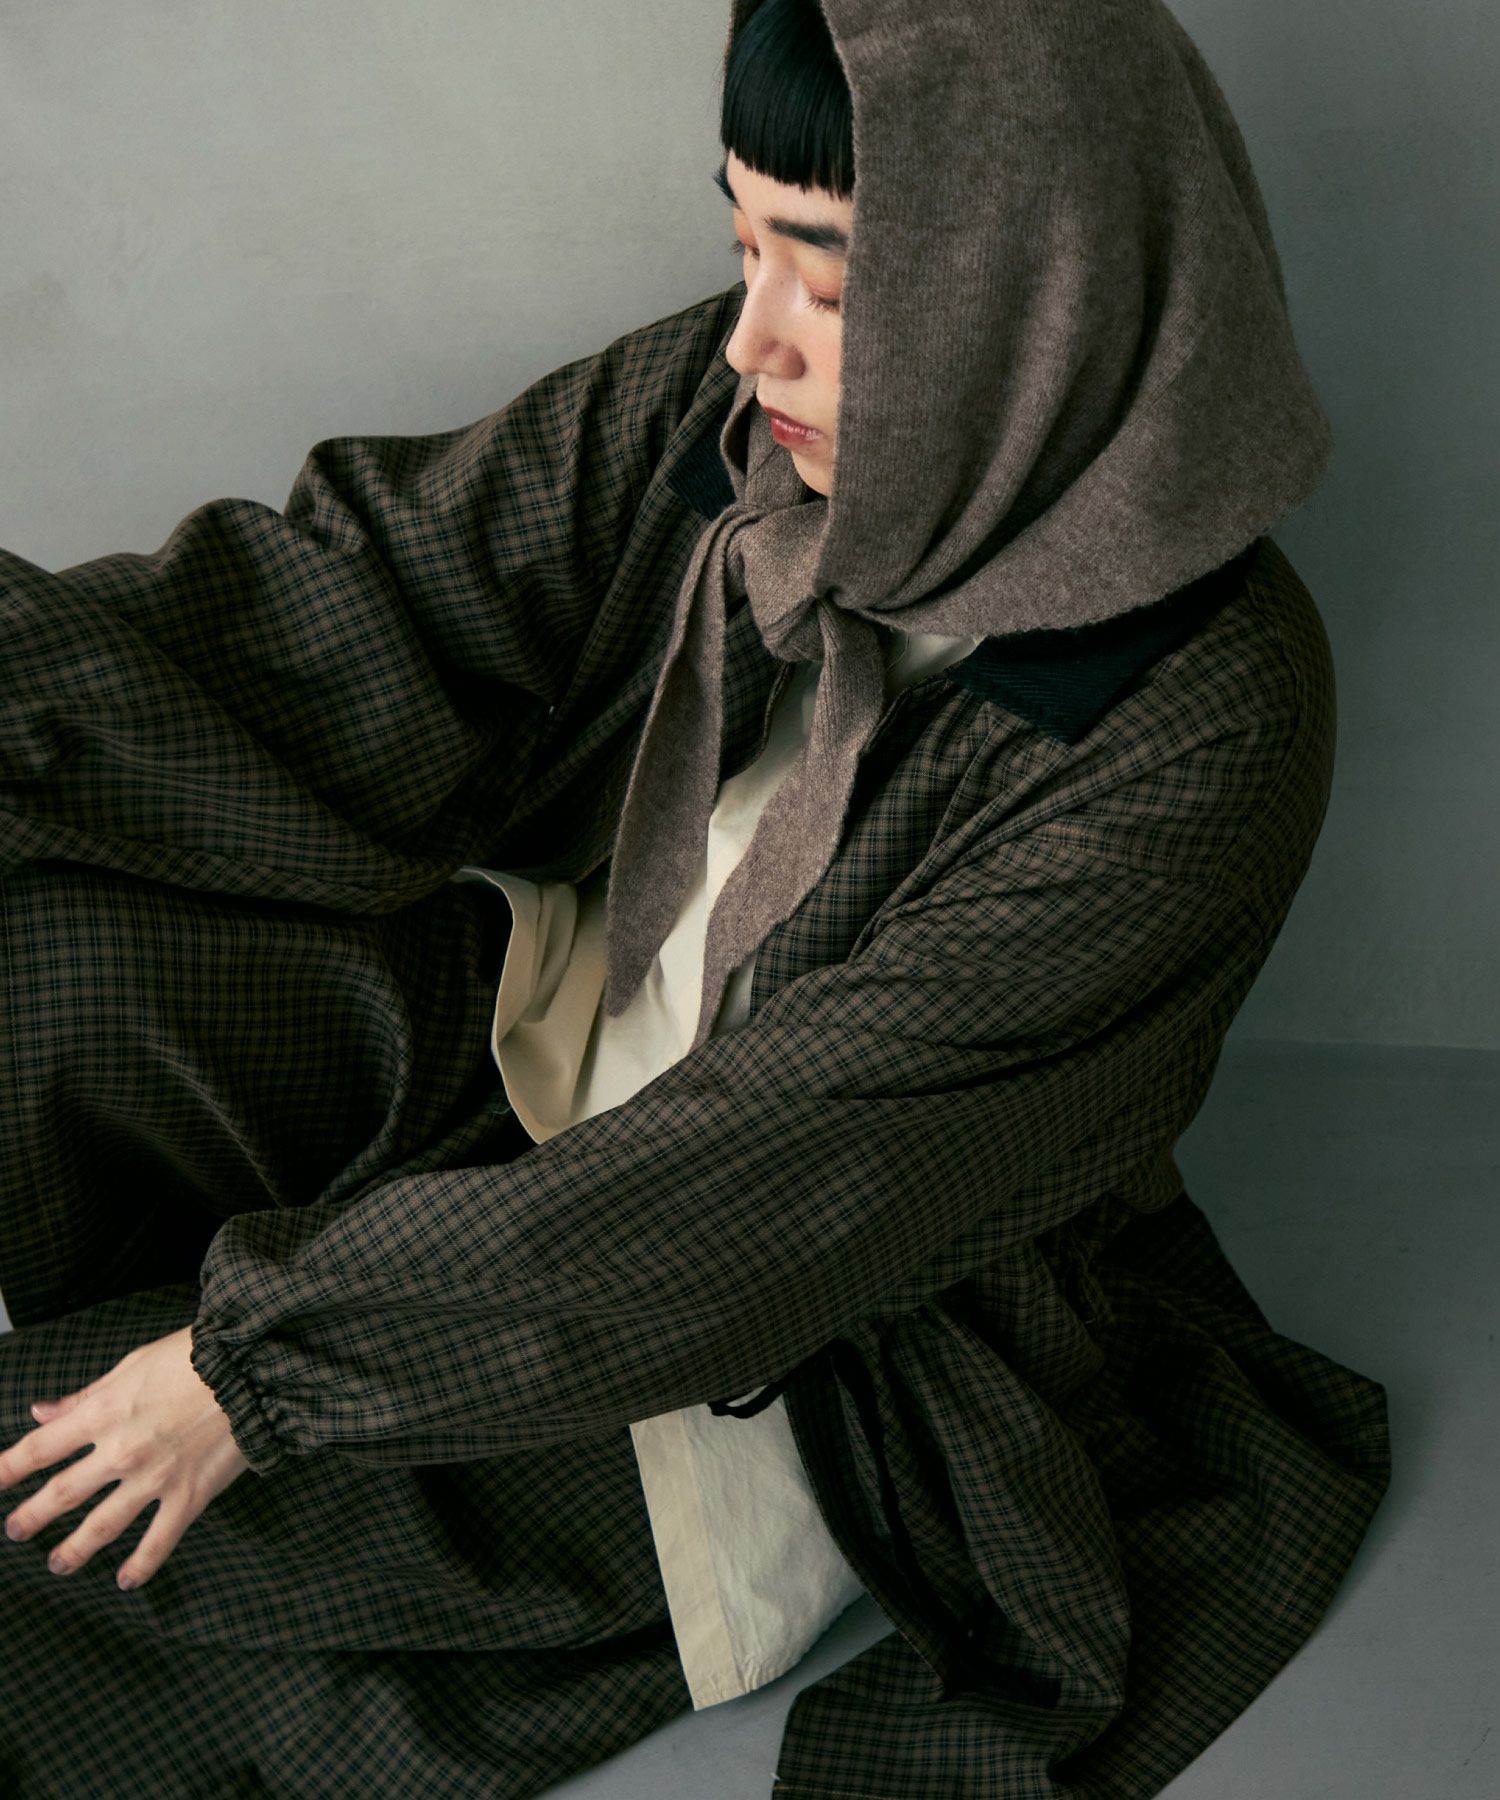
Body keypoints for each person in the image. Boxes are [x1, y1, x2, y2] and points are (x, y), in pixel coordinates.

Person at [0, 1, 1393, 1795]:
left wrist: (258, 1373)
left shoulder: (1207, 718)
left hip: (791, 1325)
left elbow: (777, 1179)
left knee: (45, 1538)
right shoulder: (730, 415)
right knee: (40, 956)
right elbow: (367, 589)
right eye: (744, 248)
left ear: (1036, 285)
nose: (755, 340)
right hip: (553, 1038)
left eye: (835, 279)